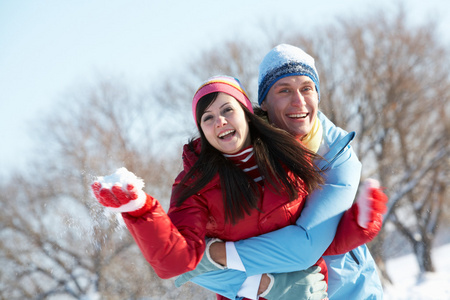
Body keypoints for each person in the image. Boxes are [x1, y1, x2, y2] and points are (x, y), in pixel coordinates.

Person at [175, 44, 386, 300]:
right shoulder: (234, 152)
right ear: (262, 102)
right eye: (284, 90)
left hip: (347, 290)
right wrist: (266, 286)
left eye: (307, 89)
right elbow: (183, 261)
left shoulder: (336, 154)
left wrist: (217, 254)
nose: (298, 101)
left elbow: (308, 245)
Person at [91, 75, 330, 300]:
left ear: (246, 113)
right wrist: (140, 210)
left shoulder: (290, 153)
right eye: (208, 118)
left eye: (228, 110)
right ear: (203, 131)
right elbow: (176, 261)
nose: (220, 121)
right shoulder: (197, 183)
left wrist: (362, 222)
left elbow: (327, 229)